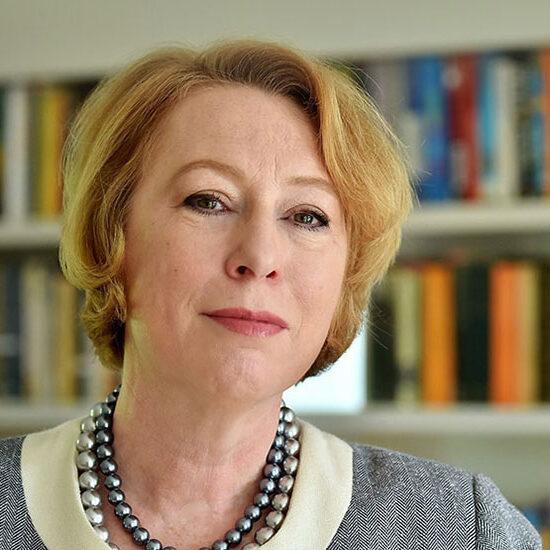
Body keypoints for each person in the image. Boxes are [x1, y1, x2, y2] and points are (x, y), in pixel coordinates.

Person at [0, 38, 542, 550]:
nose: (259, 257)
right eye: (208, 200)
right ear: (113, 237)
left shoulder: (462, 530)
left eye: (307, 216)